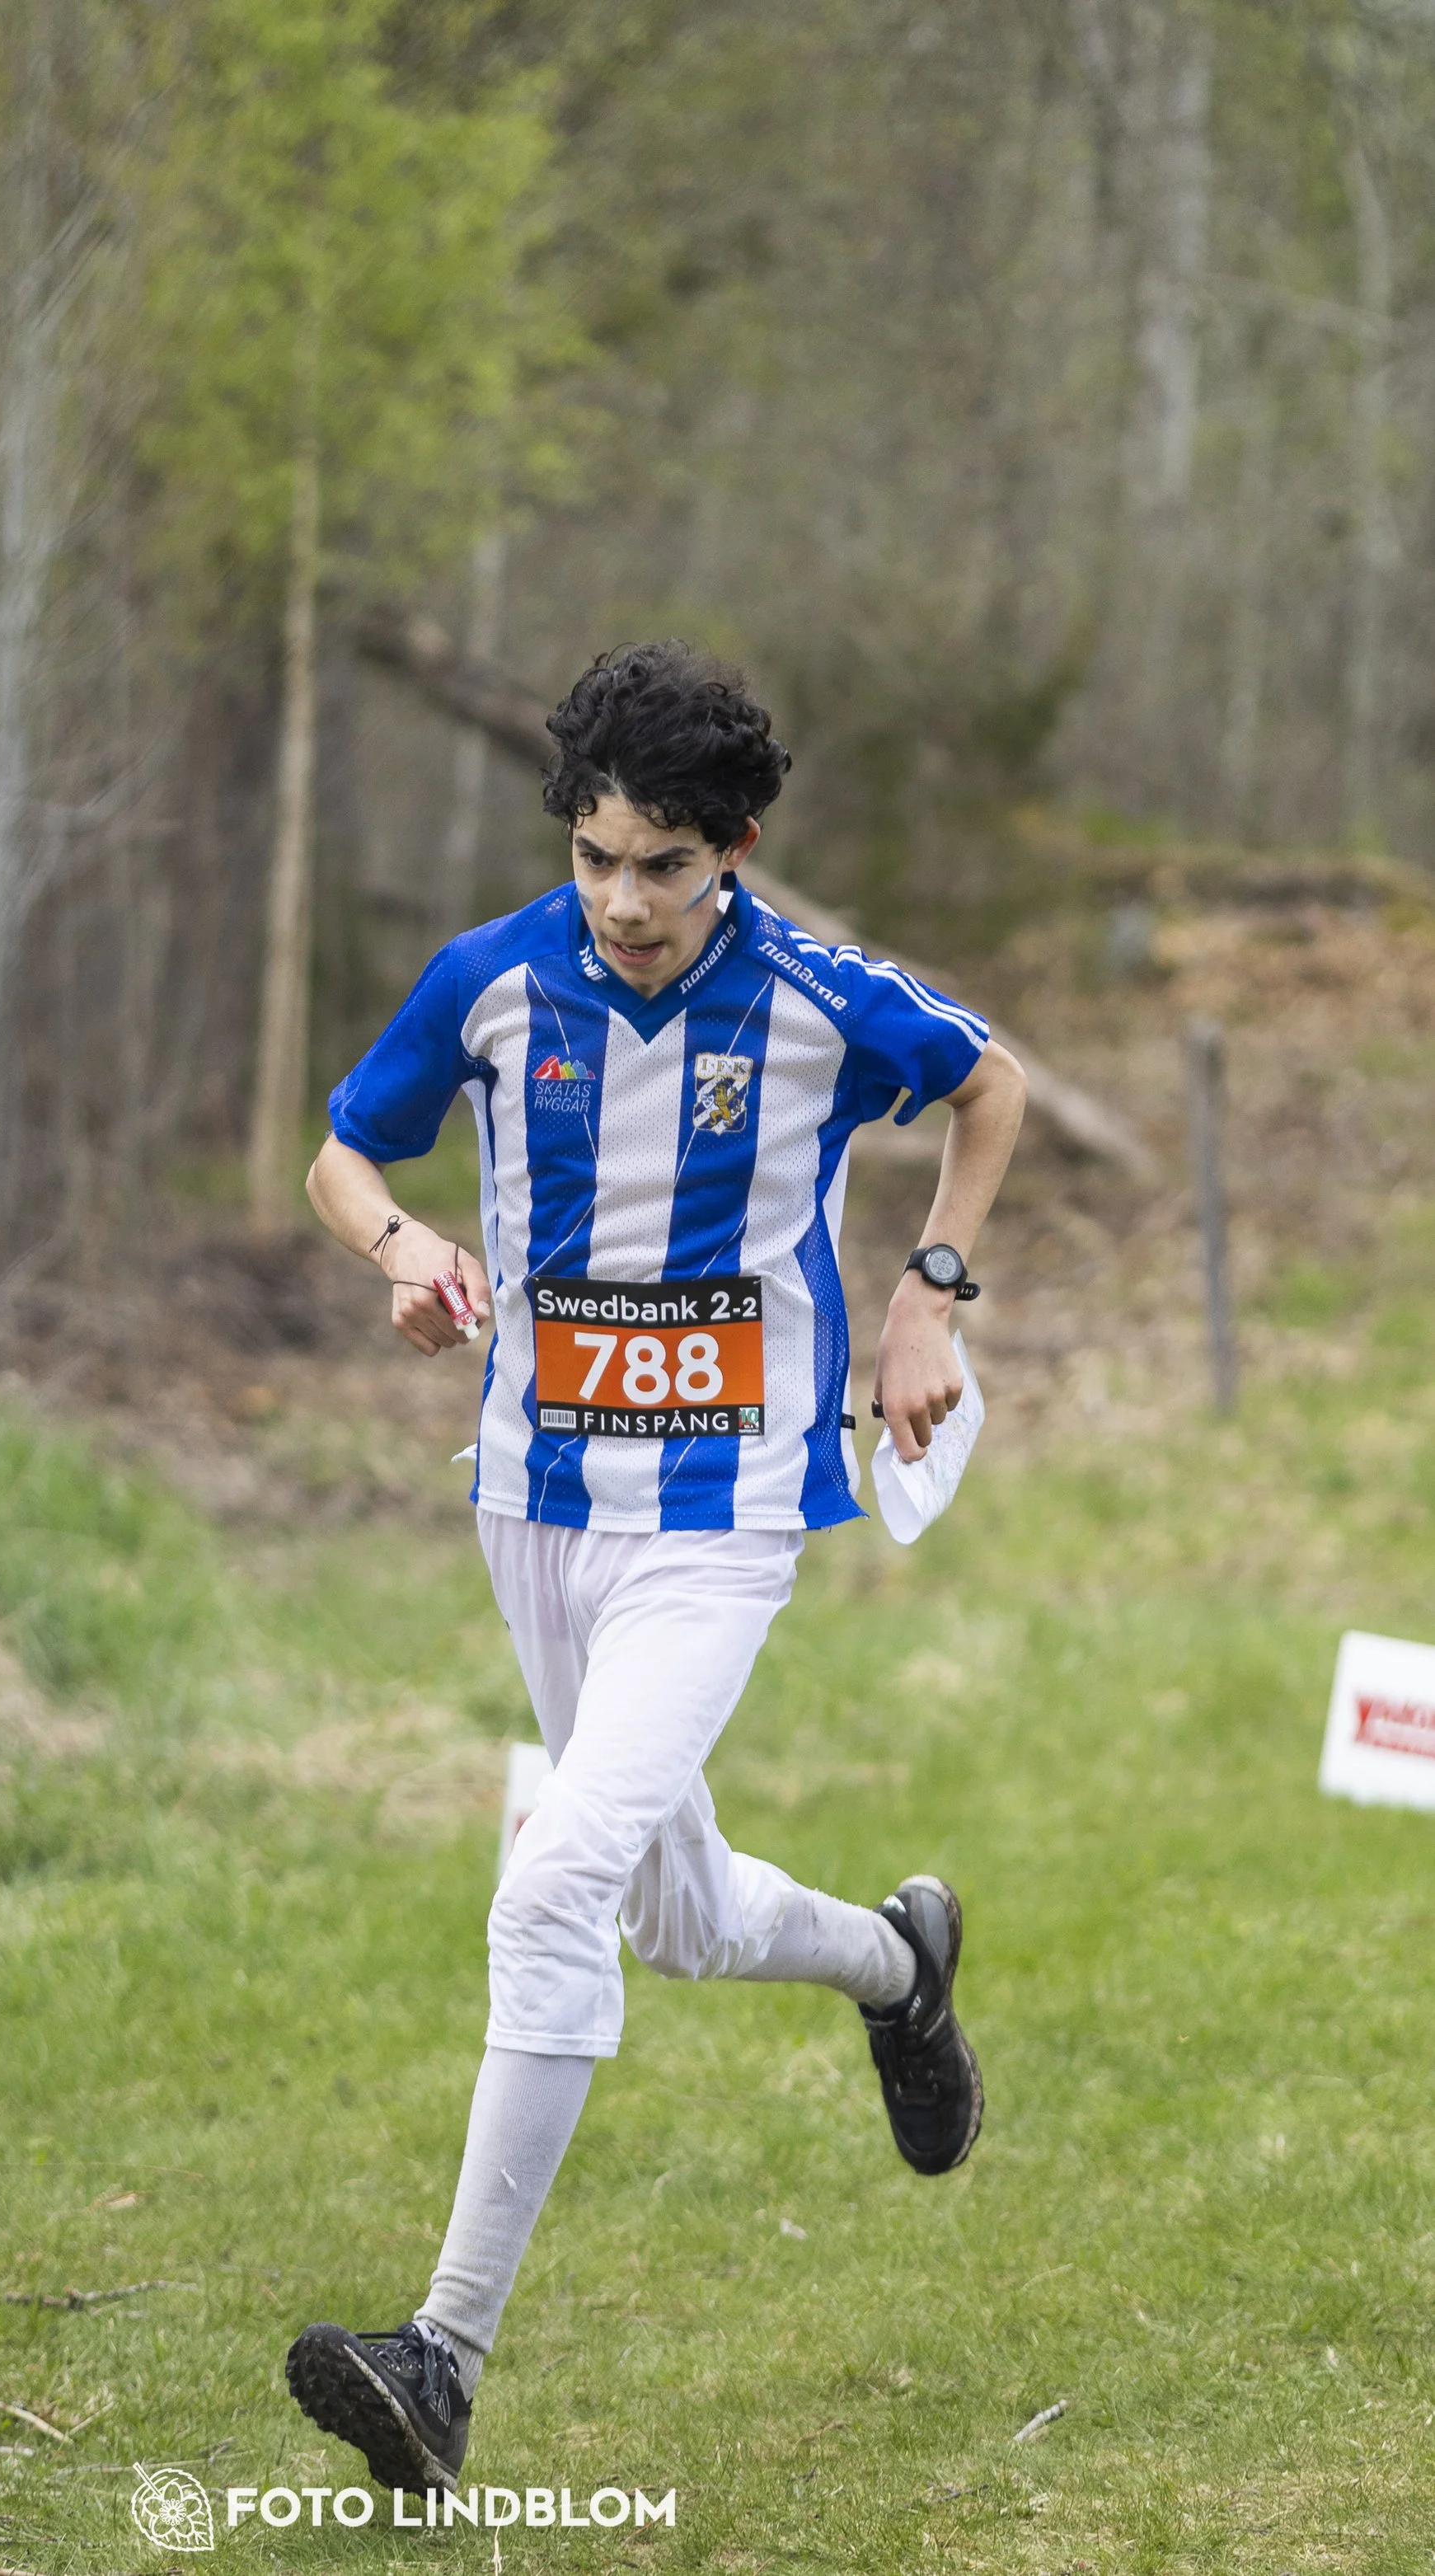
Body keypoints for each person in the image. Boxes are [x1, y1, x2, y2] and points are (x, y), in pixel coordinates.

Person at [284, 640, 1027, 2497]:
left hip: (723, 1515)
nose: (624, 901)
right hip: (530, 1502)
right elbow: (341, 1157)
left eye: (665, 867)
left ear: (734, 850)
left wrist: (930, 1296)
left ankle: (439, 2361)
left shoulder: (815, 996)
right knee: (673, 1916)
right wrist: (402, 1250)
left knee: (552, 1884)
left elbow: (990, 1086)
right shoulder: (488, 981)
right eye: (597, 858)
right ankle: (897, 1965)